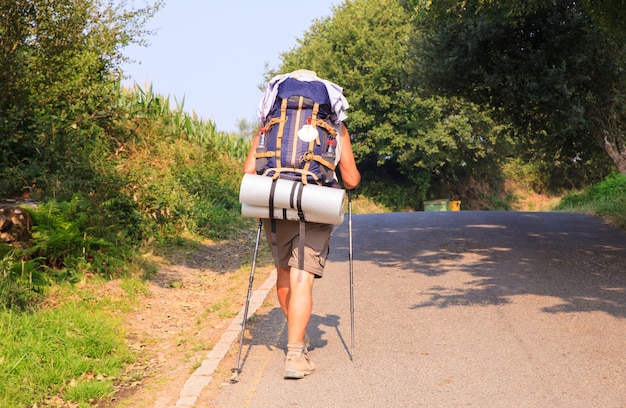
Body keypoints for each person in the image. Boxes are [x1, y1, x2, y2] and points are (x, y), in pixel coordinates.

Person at [243, 70, 360, 379]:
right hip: (316, 203)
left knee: (284, 274)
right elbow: (350, 178)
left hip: (276, 200)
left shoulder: (270, 122)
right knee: (302, 278)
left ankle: (298, 339)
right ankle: (295, 356)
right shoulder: (334, 125)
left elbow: (249, 173)